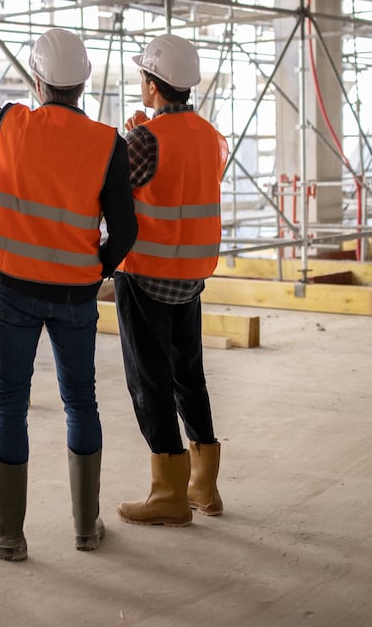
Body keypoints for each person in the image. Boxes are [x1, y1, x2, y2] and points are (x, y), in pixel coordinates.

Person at [0, 28, 138, 560]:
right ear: (84, 82)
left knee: (9, 407)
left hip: (13, 289)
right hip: (76, 295)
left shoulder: (11, 123)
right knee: (80, 401)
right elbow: (125, 231)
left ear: (38, 81)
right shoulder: (109, 144)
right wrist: (95, 268)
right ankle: (87, 528)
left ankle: (8, 533)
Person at [115, 34, 228, 527]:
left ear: (153, 84)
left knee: (150, 381)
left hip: (146, 273)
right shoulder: (208, 134)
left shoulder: (144, 137)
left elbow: (117, 187)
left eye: (143, 76)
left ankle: (168, 493)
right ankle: (205, 486)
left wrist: (129, 137)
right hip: (191, 273)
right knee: (189, 376)